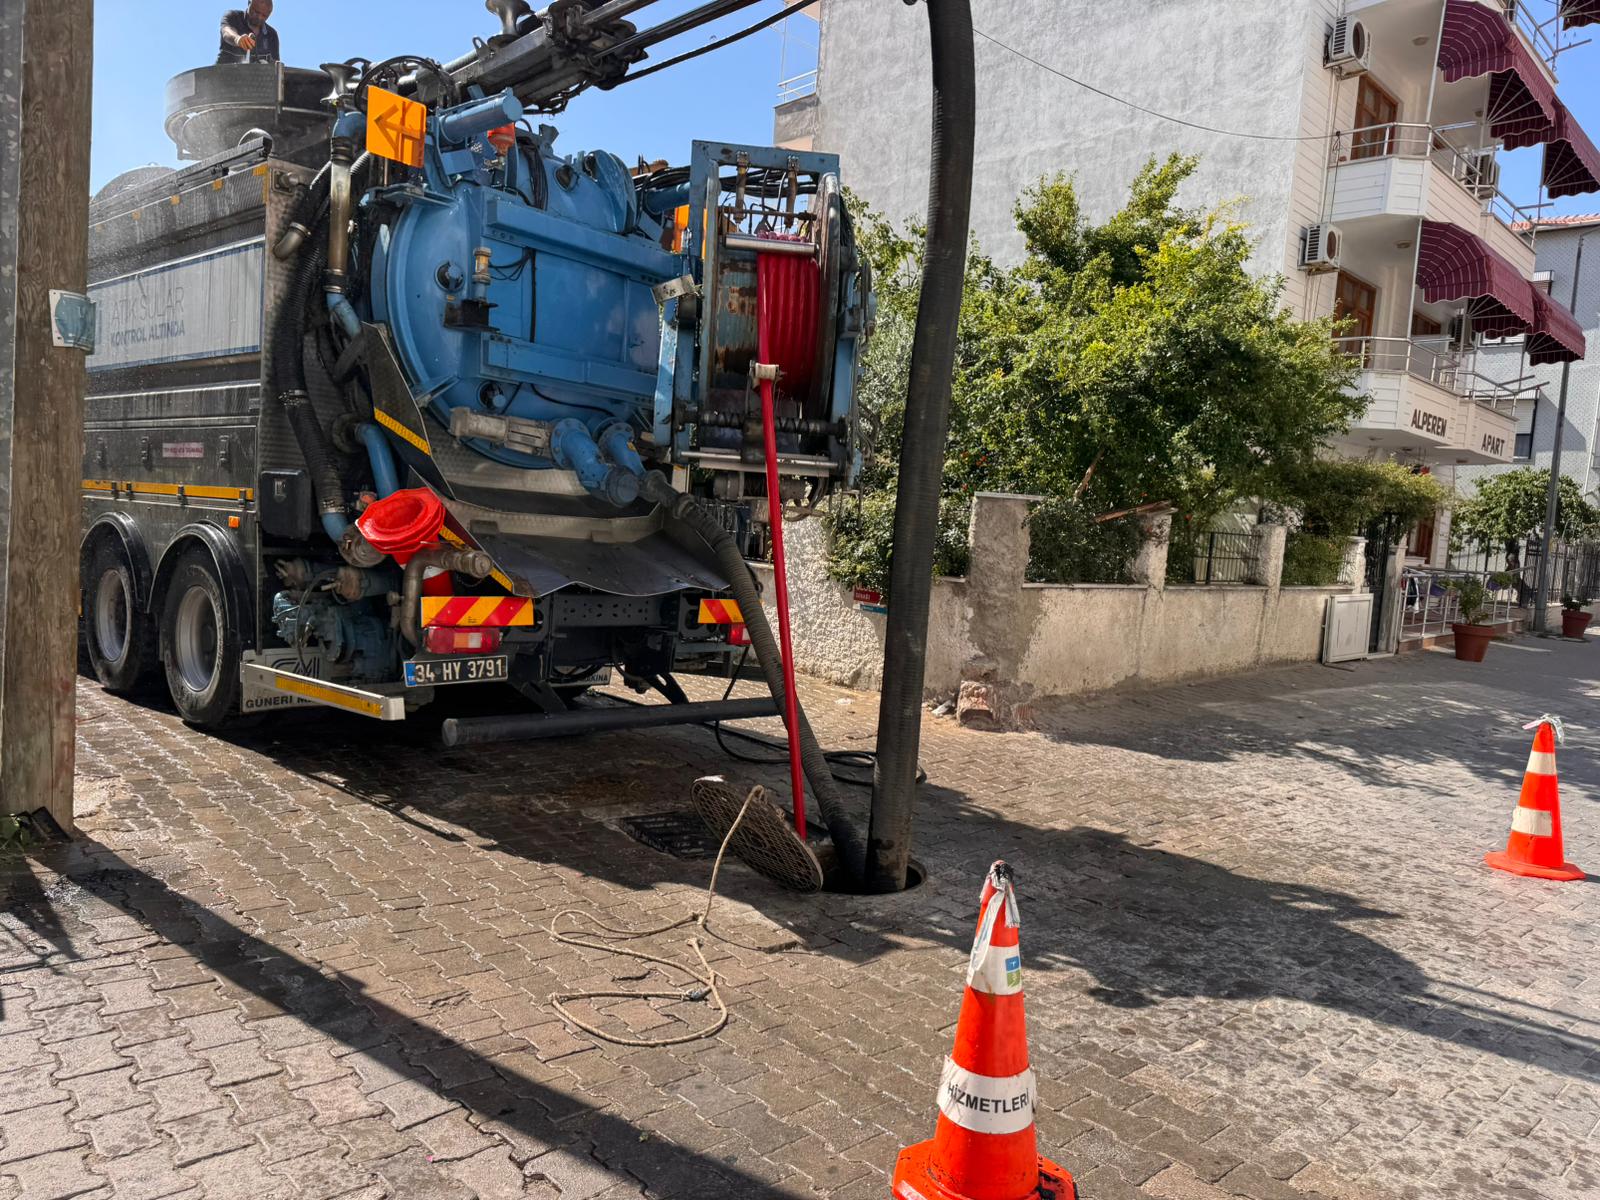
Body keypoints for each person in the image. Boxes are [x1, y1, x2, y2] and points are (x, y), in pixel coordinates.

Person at [217, 1, 280, 65]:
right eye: (256, 12)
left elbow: (276, 68)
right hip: (223, 73)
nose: (259, 17)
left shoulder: (272, 35)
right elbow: (226, 31)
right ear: (249, 3)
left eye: (264, 15)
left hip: (256, 74)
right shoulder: (233, 17)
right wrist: (237, 39)